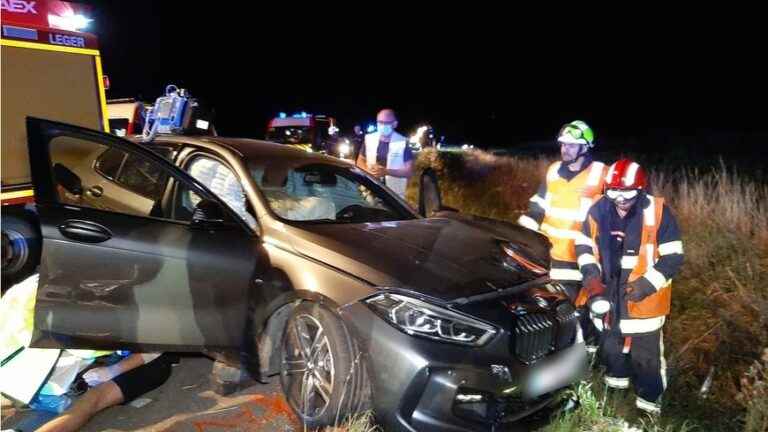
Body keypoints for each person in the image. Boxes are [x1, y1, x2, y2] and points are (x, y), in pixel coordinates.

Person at [575, 159, 684, 415]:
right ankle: (615, 398)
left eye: (627, 193)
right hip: (608, 294)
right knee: (611, 347)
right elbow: (583, 246)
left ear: (640, 189)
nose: (620, 200)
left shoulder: (658, 211)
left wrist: (645, 285)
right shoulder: (598, 209)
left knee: (645, 358)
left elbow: (673, 257)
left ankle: (648, 409)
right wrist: (591, 279)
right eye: (614, 192)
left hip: (645, 300)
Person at [36, 353, 175, 432]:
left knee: (92, 399)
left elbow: (154, 350)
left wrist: (114, 370)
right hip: (103, 356)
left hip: (149, 363)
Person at [355, 109, 413, 198]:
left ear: (395, 124)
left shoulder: (402, 142)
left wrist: (386, 171)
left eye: (387, 123)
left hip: (394, 195)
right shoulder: (369, 139)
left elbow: (408, 171)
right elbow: (360, 161)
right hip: (370, 191)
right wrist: (368, 171)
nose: (383, 125)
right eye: (380, 122)